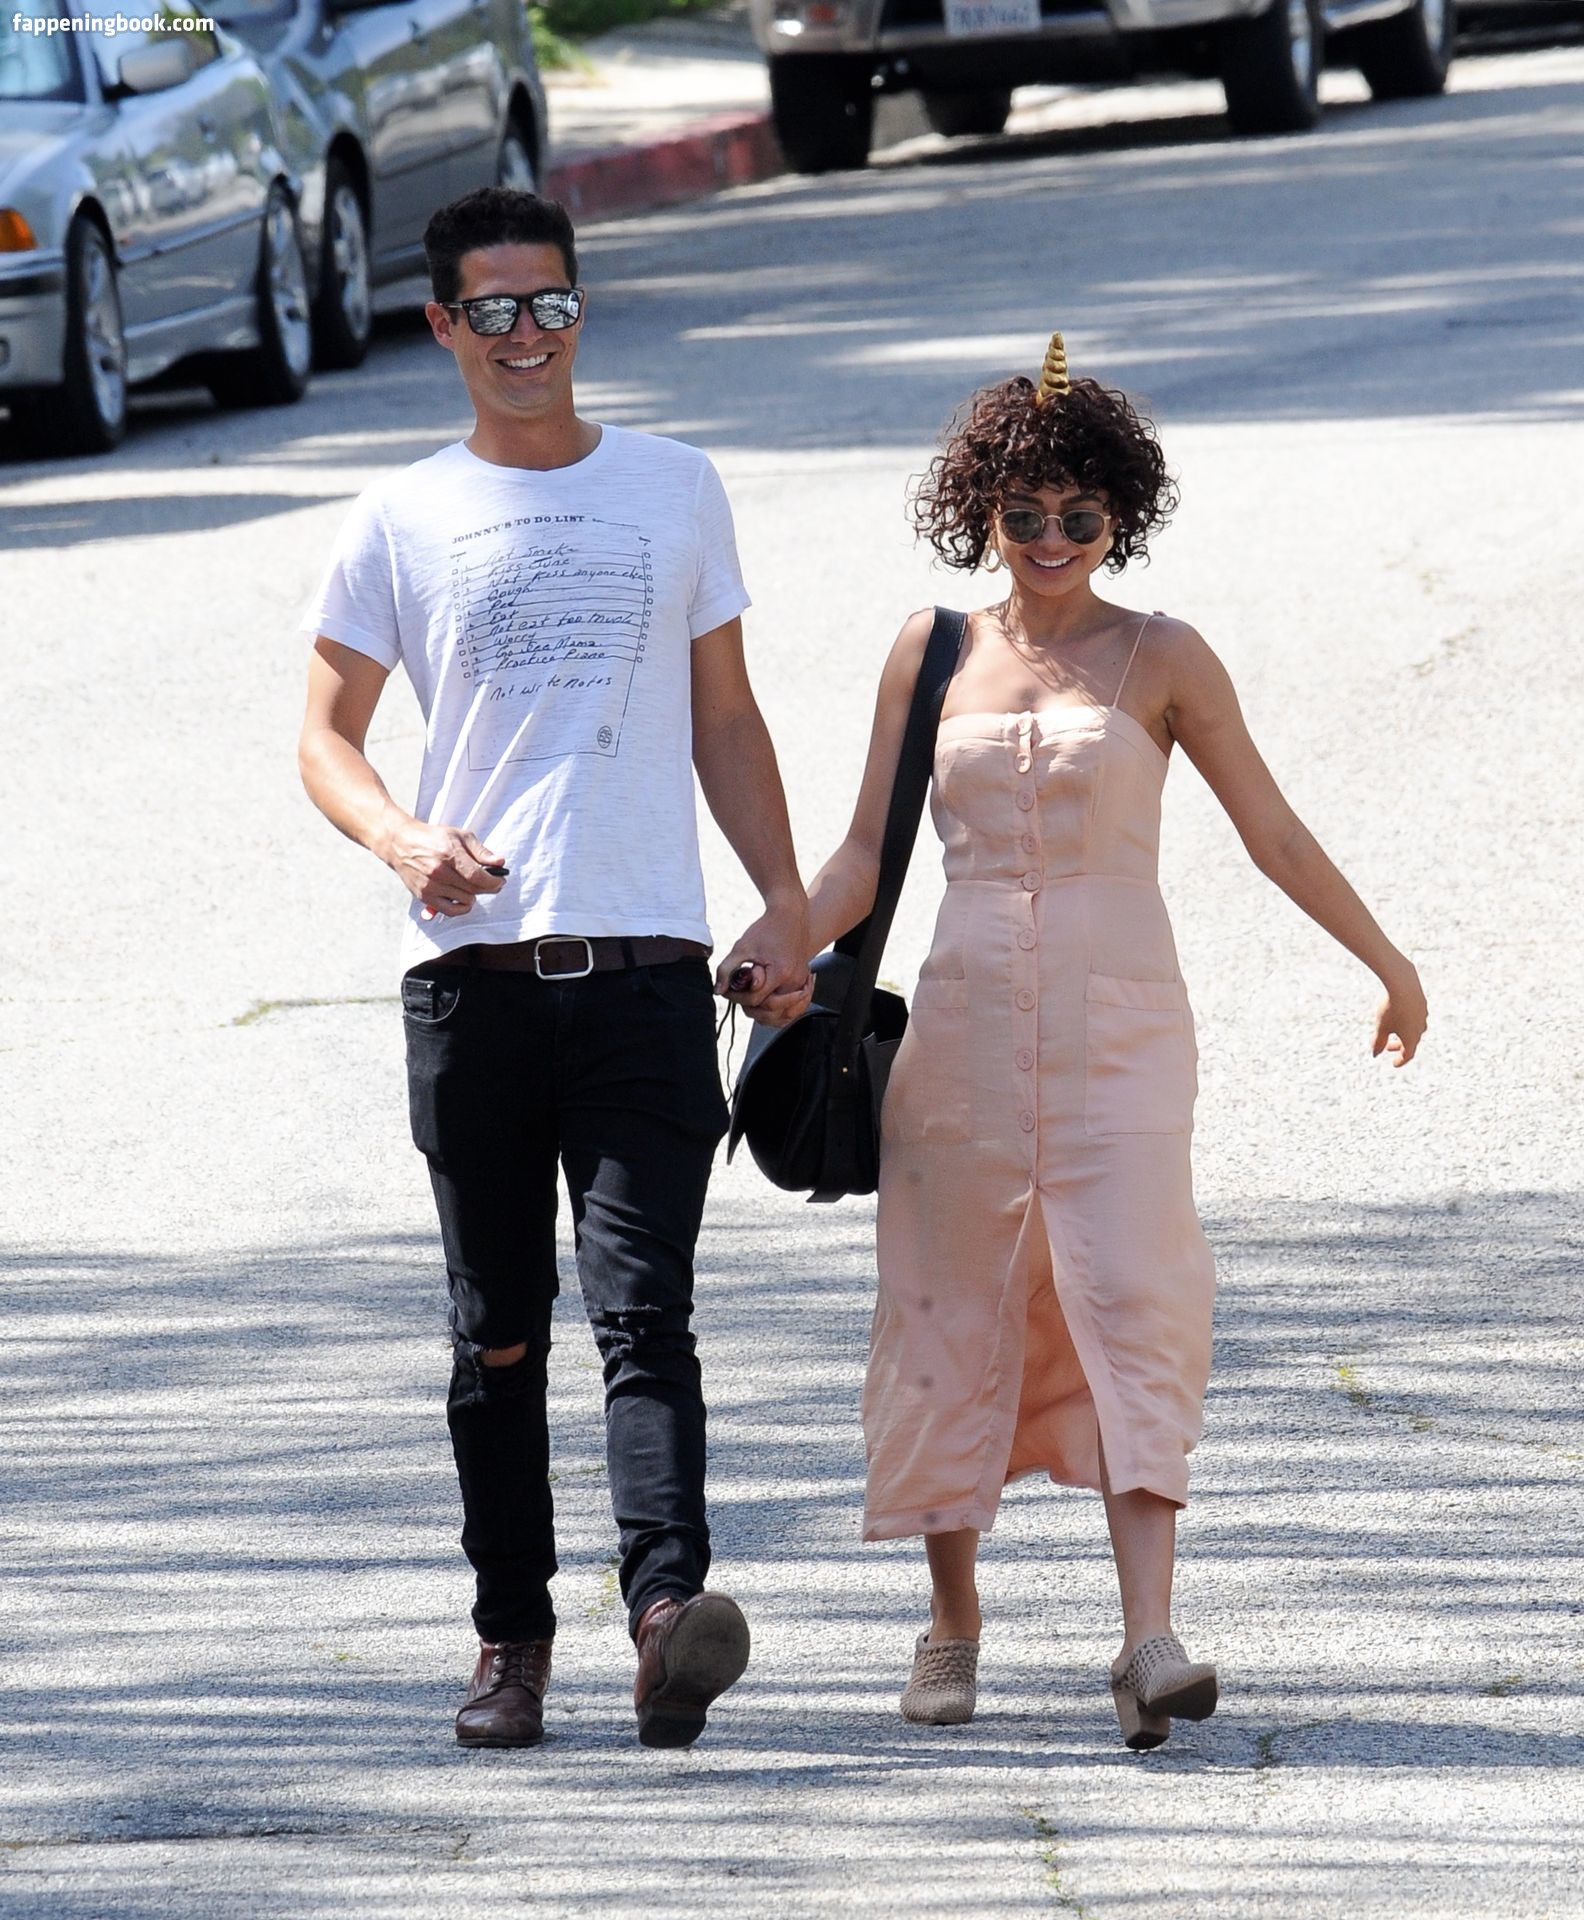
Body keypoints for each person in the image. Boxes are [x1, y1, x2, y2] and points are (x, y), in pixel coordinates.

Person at [782, 336, 1428, 1749]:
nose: (1053, 538)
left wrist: (1385, 961)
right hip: (960, 1029)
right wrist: (776, 943)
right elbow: (860, 860)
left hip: (1122, 1031)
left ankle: (1148, 1638)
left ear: (1121, 515)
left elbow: (1271, 830)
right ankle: (952, 1623)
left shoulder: (1164, 656)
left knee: (1135, 1295)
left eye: (1081, 513)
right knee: (950, 1304)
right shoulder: (932, 652)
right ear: (982, 514)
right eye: (1024, 512)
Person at [296, 188, 810, 1751]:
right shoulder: (399, 516)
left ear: (581, 312)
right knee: (499, 1329)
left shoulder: (677, 486)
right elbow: (324, 738)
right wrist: (402, 838)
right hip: (474, 979)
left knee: (648, 1315)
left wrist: (785, 902)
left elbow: (726, 715)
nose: (529, 336)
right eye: (495, 310)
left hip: (648, 965)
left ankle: (665, 1618)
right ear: (444, 326)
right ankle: (510, 1638)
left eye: (553, 304)